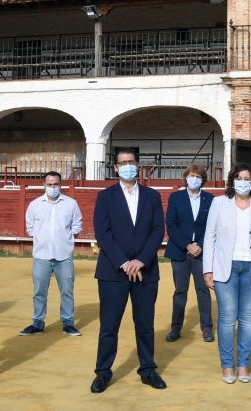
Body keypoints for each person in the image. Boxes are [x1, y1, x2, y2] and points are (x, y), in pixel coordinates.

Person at [90, 148, 167, 393]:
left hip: (145, 271)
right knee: (109, 326)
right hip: (113, 271)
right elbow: (103, 233)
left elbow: (157, 230)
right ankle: (103, 372)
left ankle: (147, 369)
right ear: (115, 168)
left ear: (138, 165)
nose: (127, 166)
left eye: (131, 162)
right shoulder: (105, 196)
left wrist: (141, 260)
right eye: (122, 163)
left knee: (145, 324)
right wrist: (125, 262)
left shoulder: (152, 196)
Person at [203, 164, 251, 384]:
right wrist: (208, 268)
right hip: (226, 267)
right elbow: (210, 237)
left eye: (247, 178)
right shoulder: (219, 203)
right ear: (232, 180)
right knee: (226, 318)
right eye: (239, 177)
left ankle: (243, 364)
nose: (243, 181)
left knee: (247, 319)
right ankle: (227, 365)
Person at [20, 171, 83, 337]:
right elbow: (31, 228)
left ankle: (68, 323)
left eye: (56, 184)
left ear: (60, 185)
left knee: (67, 290)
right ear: (44, 185)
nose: (53, 187)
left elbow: (76, 226)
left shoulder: (71, 204)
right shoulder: (35, 205)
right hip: (41, 255)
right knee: (39, 291)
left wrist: (66, 240)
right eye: (50, 184)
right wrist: (42, 240)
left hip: (64, 255)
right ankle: (38, 322)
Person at [164, 164, 215, 343]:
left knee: (203, 289)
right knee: (180, 290)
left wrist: (199, 245)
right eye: (192, 175)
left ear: (203, 180)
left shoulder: (210, 199)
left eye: (198, 176)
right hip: (179, 251)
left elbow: (213, 226)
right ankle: (176, 327)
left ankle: (207, 327)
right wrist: (187, 245)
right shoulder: (176, 197)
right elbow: (171, 224)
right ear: (186, 177)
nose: (195, 179)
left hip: (202, 252)